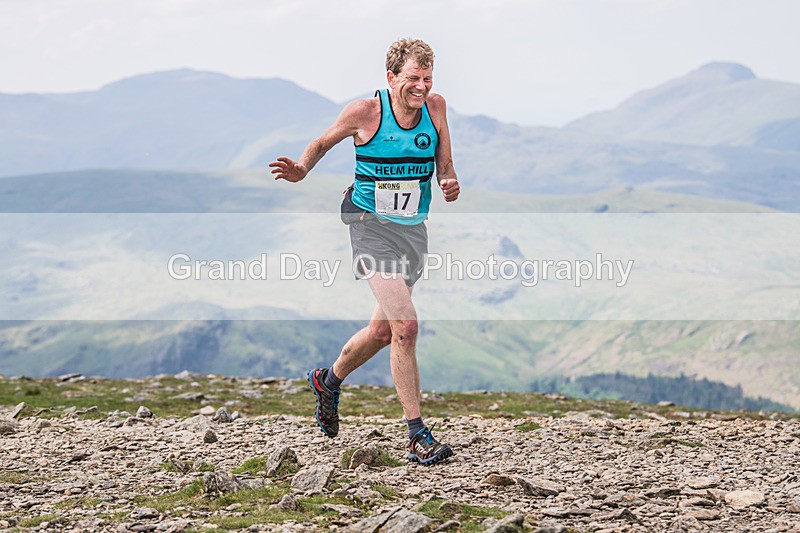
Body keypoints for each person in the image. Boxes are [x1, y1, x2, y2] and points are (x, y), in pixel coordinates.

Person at [269, 38, 460, 466]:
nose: (422, 87)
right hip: (368, 226)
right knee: (406, 327)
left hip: (413, 230)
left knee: (381, 332)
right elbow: (322, 142)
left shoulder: (437, 108)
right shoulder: (366, 111)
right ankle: (416, 435)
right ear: (391, 77)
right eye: (413, 78)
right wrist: (300, 169)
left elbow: (444, 166)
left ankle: (328, 380)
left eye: (428, 79)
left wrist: (449, 182)